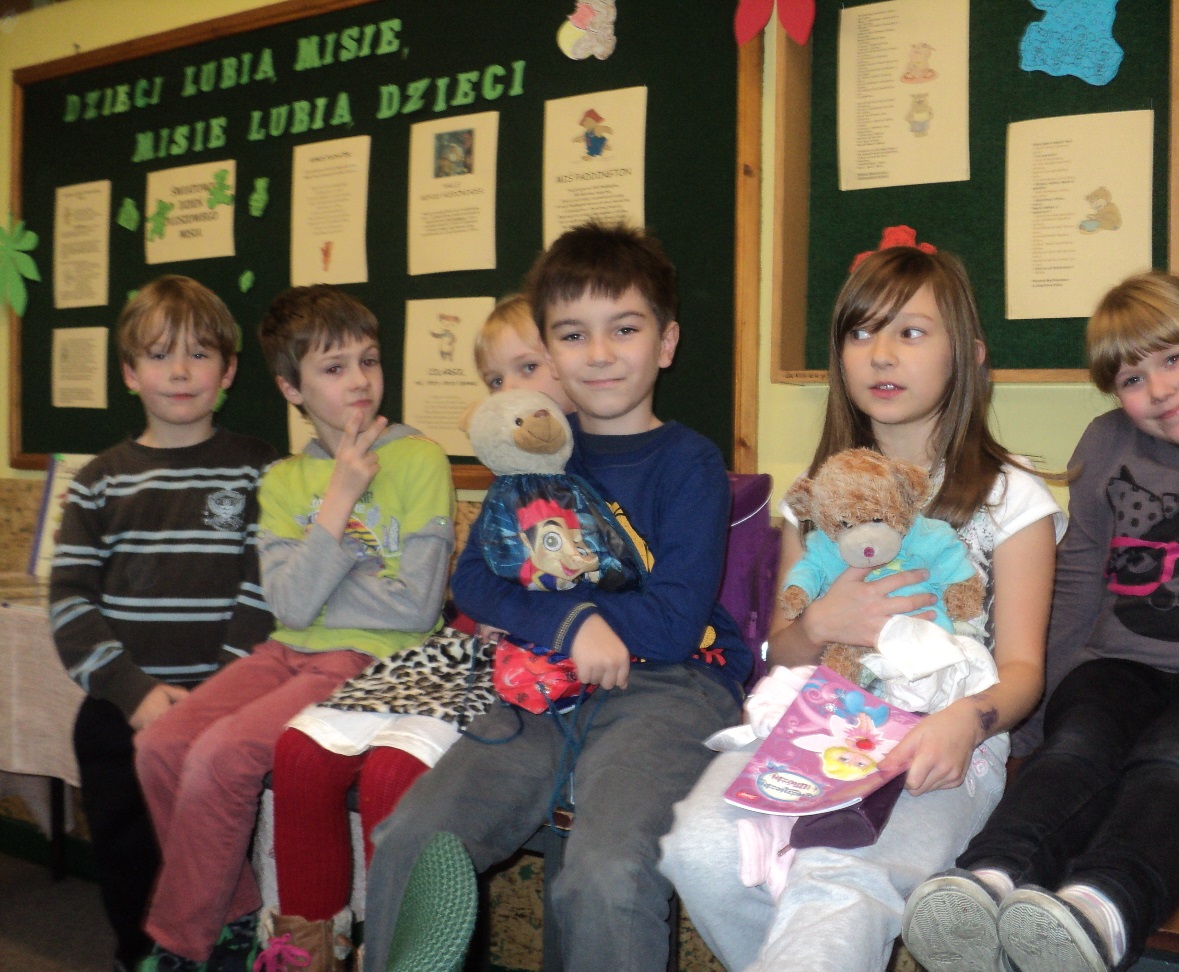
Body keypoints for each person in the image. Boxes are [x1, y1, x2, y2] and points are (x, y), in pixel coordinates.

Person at [359, 222, 754, 972]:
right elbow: (475, 580)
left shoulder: (690, 463)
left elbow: (674, 624)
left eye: (624, 329)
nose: (599, 353)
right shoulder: (534, 454)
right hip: (544, 684)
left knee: (607, 874)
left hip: (672, 685)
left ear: (666, 342)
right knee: (411, 840)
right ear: (549, 349)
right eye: (573, 335)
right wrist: (573, 623)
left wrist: (585, 625)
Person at [658, 244, 1064, 972]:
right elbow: (778, 653)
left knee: (838, 876)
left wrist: (965, 722)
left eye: (911, 332)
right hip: (815, 722)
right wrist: (819, 624)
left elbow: (1024, 671)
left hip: (944, 736)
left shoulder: (1011, 496)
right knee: (700, 849)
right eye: (861, 332)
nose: (881, 354)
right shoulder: (818, 497)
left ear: (968, 355)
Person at [902, 271, 1179, 972]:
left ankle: (1104, 906)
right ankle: (988, 877)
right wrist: (1029, 728)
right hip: (1121, 670)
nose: (1159, 390)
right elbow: (1078, 585)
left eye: (1172, 359)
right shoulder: (1108, 443)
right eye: (1132, 379)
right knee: (1079, 742)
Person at [133, 284, 455, 972]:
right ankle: (232, 917)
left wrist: (321, 579)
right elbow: (289, 607)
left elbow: (415, 608)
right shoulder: (283, 480)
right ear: (291, 388)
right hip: (286, 651)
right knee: (161, 744)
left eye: (368, 360)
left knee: (223, 754)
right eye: (334, 368)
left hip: (367, 659)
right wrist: (339, 502)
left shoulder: (421, 459)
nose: (360, 380)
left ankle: (183, 944)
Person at [263, 292, 573, 968]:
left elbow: (427, 598)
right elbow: (468, 588)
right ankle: (305, 954)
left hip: (532, 672)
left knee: (392, 777)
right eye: (494, 380)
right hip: (459, 650)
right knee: (300, 754)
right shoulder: (506, 481)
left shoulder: (601, 470)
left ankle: (397, 956)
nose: (509, 394)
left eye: (527, 368)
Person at [49, 276, 277, 972]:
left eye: (199, 354)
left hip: (223, 713)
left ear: (228, 370)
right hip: (122, 712)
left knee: (214, 866)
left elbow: (264, 588)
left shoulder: (261, 469)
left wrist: (218, 696)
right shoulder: (98, 480)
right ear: (129, 372)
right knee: (130, 863)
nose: (179, 371)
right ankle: (136, 958)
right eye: (158, 355)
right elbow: (71, 603)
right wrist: (135, 692)